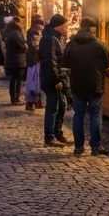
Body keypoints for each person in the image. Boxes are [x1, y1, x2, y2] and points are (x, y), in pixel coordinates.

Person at [61, 16, 109, 155]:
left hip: (77, 84)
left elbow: (65, 62)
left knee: (78, 115)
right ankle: (96, 146)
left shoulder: (72, 44)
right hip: (95, 84)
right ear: (92, 29)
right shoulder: (99, 44)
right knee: (95, 114)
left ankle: (78, 147)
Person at [39, 13, 69, 147]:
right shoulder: (50, 39)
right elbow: (50, 60)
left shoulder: (54, 37)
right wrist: (55, 79)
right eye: (65, 25)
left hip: (55, 77)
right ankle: (49, 137)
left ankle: (57, 133)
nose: (66, 28)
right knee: (53, 108)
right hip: (51, 78)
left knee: (61, 105)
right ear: (59, 26)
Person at [2, 15, 27, 105]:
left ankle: (14, 98)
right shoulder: (16, 32)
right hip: (18, 59)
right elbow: (21, 44)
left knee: (13, 79)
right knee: (17, 79)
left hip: (12, 58)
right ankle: (16, 98)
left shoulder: (9, 31)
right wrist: (25, 47)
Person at [24, 14, 43, 111]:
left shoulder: (30, 31)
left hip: (33, 59)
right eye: (41, 24)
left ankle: (35, 101)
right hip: (34, 60)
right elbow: (35, 46)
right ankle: (32, 102)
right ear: (37, 24)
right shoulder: (34, 32)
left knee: (34, 81)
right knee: (34, 81)